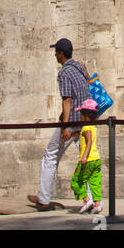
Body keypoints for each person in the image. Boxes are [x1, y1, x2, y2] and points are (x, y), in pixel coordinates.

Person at [27, 38, 91, 211]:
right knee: (87, 158)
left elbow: (67, 100)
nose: (55, 54)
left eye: (56, 52)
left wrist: (65, 126)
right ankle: (93, 201)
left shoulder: (64, 73)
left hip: (73, 122)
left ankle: (44, 199)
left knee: (51, 154)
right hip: (86, 120)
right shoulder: (81, 67)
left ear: (61, 54)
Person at [71, 99, 102, 214]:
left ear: (85, 115)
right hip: (96, 159)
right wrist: (72, 133)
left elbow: (88, 142)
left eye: (81, 114)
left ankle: (86, 200)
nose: (80, 116)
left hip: (87, 160)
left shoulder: (87, 128)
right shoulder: (93, 127)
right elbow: (82, 135)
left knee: (76, 181)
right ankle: (97, 205)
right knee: (94, 182)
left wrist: (84, 157)